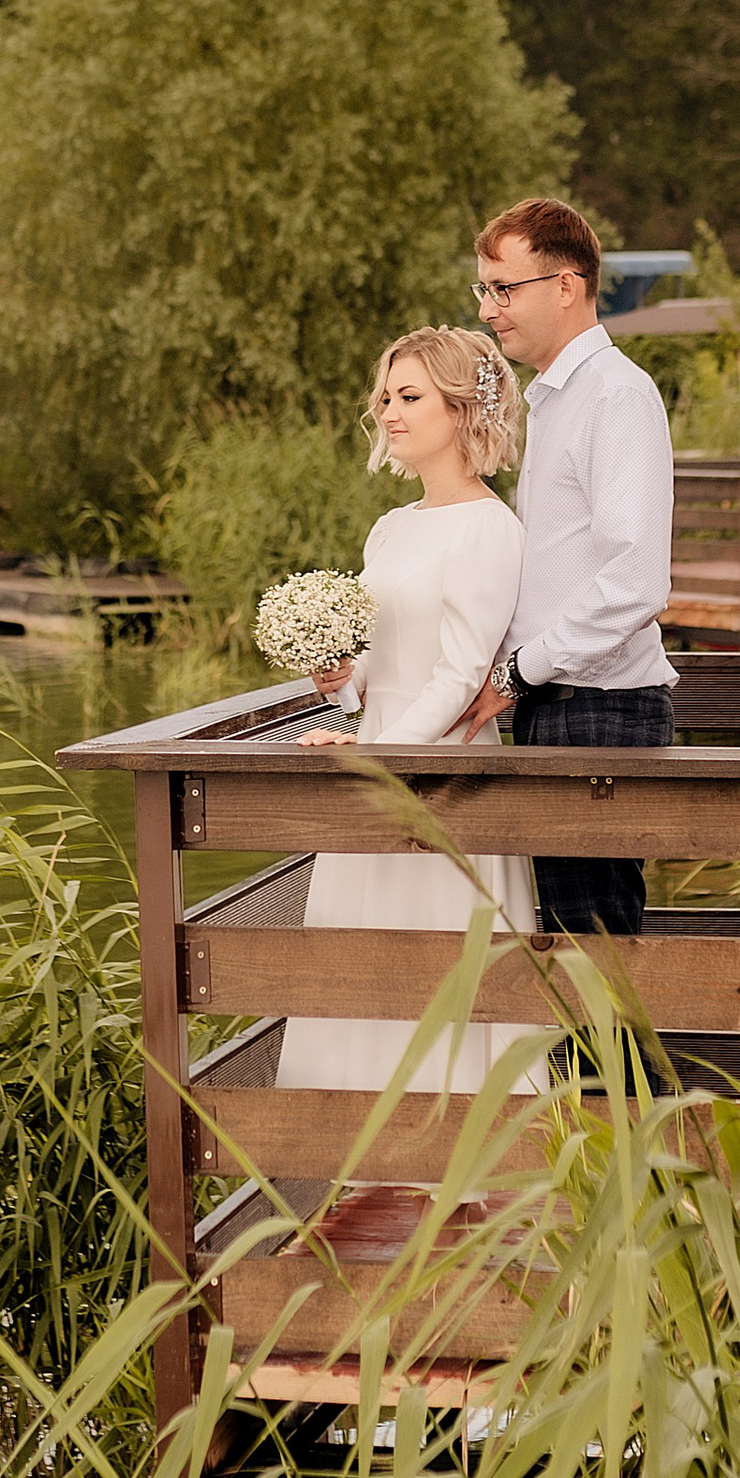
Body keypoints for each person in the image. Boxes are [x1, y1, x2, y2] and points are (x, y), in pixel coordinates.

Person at [275, 324, 527, 1095]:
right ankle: (348, 1140)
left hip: (441, 768)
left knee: (438, 961)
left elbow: (461, 673)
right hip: (378, 749)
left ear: (461, 408)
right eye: (385, 397)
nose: (388, 412)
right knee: (356, 958)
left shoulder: (490, 528)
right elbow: (381, 665)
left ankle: (456, 1144)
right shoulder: (390, 528)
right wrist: (342, 683)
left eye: (409, 396)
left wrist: (381, 754)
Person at [461, 194, 675, 934]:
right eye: (484, 289)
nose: (487, 309)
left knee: (594, 950)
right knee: (570, 943)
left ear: (565, 285)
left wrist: (518, 673)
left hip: (597, 708)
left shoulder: (615, 395)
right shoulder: (558, 398)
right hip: (560, 700)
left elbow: (637, 579)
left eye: (503, 289)